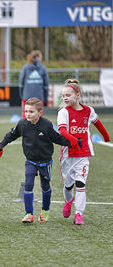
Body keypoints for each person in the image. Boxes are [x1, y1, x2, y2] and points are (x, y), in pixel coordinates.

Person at [0, 97, 78, 223]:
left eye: (31, 112)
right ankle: (29, 214)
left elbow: (57, 138)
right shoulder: (22, 124)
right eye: (26, 111)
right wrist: (1, 145)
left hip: (46, 163)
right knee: (28, 186)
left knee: (45, 187)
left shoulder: (47, 125)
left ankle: (45, 210)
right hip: (30, 161)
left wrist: (72, 143)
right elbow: (11, 135)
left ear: (40, 112)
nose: (28, 114)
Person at [57, 79, 110, 225]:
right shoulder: (63, 112)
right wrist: (73, 141)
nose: (65, 98)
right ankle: (68, 201)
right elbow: (62, 131)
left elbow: (97, 122)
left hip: (84, 153)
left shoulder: (88, 110)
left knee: (81, 183)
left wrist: (105, 136)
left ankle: (79, 214)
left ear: (77, 95)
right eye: (63, 95)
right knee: (68, 185)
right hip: (68, 155)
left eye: (68, 95)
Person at [19, 50, 49, 118]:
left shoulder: (25, 67)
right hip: (39, 97)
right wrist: (45, 98)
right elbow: (46, 86)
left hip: (26, 97)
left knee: (26, 117)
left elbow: (21, 84)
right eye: (41, 57)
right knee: (39, 118)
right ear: (38, 57)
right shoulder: (43, 68)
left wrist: (22, 96)